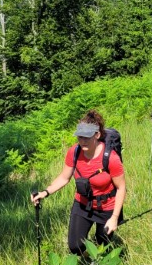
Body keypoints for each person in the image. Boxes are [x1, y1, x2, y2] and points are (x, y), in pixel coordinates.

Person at [31, 109, 126, 256]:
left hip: (106, 206)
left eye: (87, 137)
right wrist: (45, 192)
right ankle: (89, 258)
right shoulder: (74, 152)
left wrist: (114, 218)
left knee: (103, 245)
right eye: (80, 137)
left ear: (97, 135)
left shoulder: (111, 158)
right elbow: (64, 177)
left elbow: (121, 188)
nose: (82, 141)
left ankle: (97, 264)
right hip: (82, 204)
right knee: (75, 246)